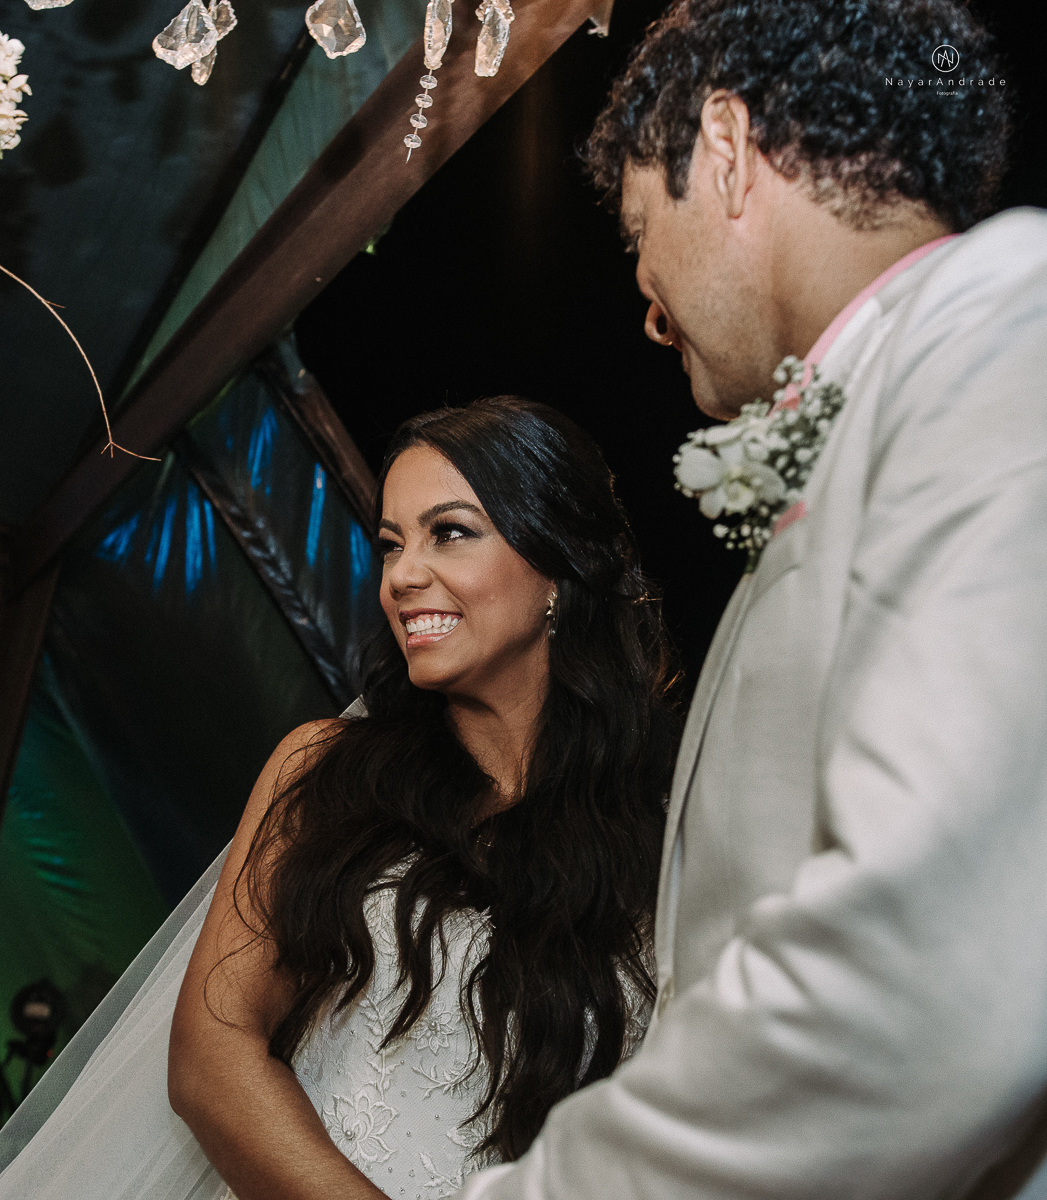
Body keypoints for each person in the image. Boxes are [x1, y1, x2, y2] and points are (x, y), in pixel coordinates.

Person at [454, 2, 1047, 1198]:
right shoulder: (870, 419)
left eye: (639, 233)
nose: (647, 298)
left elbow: (924, 979)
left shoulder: (1010, 323)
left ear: (723, 150)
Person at [0, 397, 680, 1199]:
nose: (401, 575)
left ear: (557, 568)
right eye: (390, 543)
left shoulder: (669, 839)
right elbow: (212, 1055)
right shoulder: (325, 773)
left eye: (449, 532)